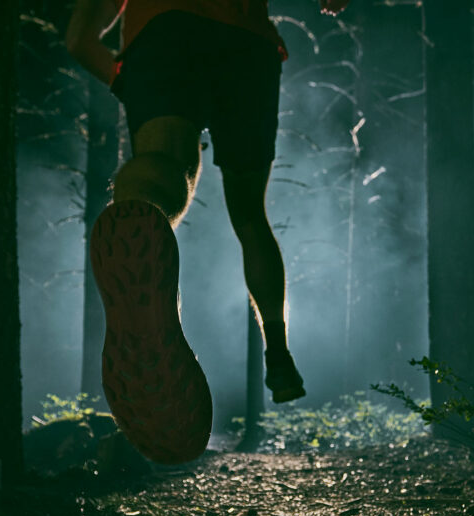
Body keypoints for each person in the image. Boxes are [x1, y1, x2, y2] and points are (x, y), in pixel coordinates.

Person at [66, 0, 349, 463]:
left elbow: (79, 40)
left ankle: (140, 213)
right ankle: (277, 351)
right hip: (247, 43)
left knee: (162, 164)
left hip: (164, 29)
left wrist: (128, 81)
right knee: (250, 213)